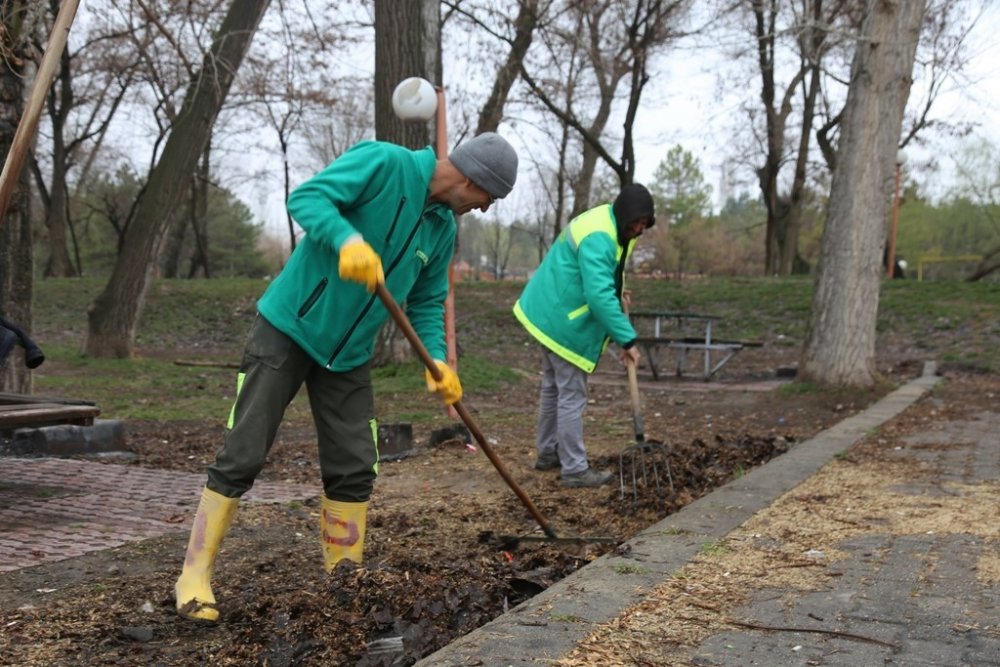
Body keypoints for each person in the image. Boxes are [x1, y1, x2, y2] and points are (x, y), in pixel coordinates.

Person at [175, 132, 519, 622]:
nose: (485, 209)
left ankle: (344, 586)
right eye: (490, 197)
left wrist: (438, 362)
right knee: (244, 451)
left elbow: (424, 302)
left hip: (350, 355)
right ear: (471, 180)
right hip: (289, 328)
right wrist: (347, 239)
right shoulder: (384, 163)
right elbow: (308, 198)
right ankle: (194, 575)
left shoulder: (442, 229)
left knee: (356, 464)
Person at [513, 183, 655, 488]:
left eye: (644, 224)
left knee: (554, 388)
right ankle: (575, 469)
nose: (639, 229)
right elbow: (598, 296)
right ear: (625, 214)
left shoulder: (609, 223)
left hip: (546, 311)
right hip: (563, 320)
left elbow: (602, 275)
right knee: (571, 394)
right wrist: (627, 340)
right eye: (637, 222)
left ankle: (549, 453)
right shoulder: (600, 236)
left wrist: (617, 291)